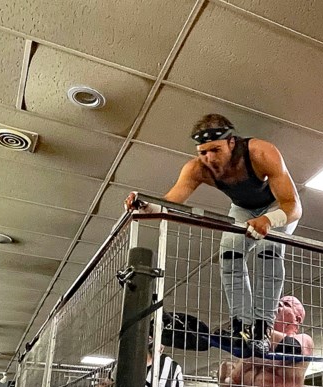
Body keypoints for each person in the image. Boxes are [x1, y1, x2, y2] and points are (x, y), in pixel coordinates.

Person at [126, 113, 303, 357]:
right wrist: (144, 205)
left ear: (232, 143)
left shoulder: (261, 153)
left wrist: (268, 221)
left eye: (215, 150)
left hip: (277, 207)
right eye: (203, 152)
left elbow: (294, 206)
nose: (209, 158)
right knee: (229, 255)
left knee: (268, 251)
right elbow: (169, 202)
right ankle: (243, 326)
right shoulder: (197, 169)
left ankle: (262, 328)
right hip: (242, 209)